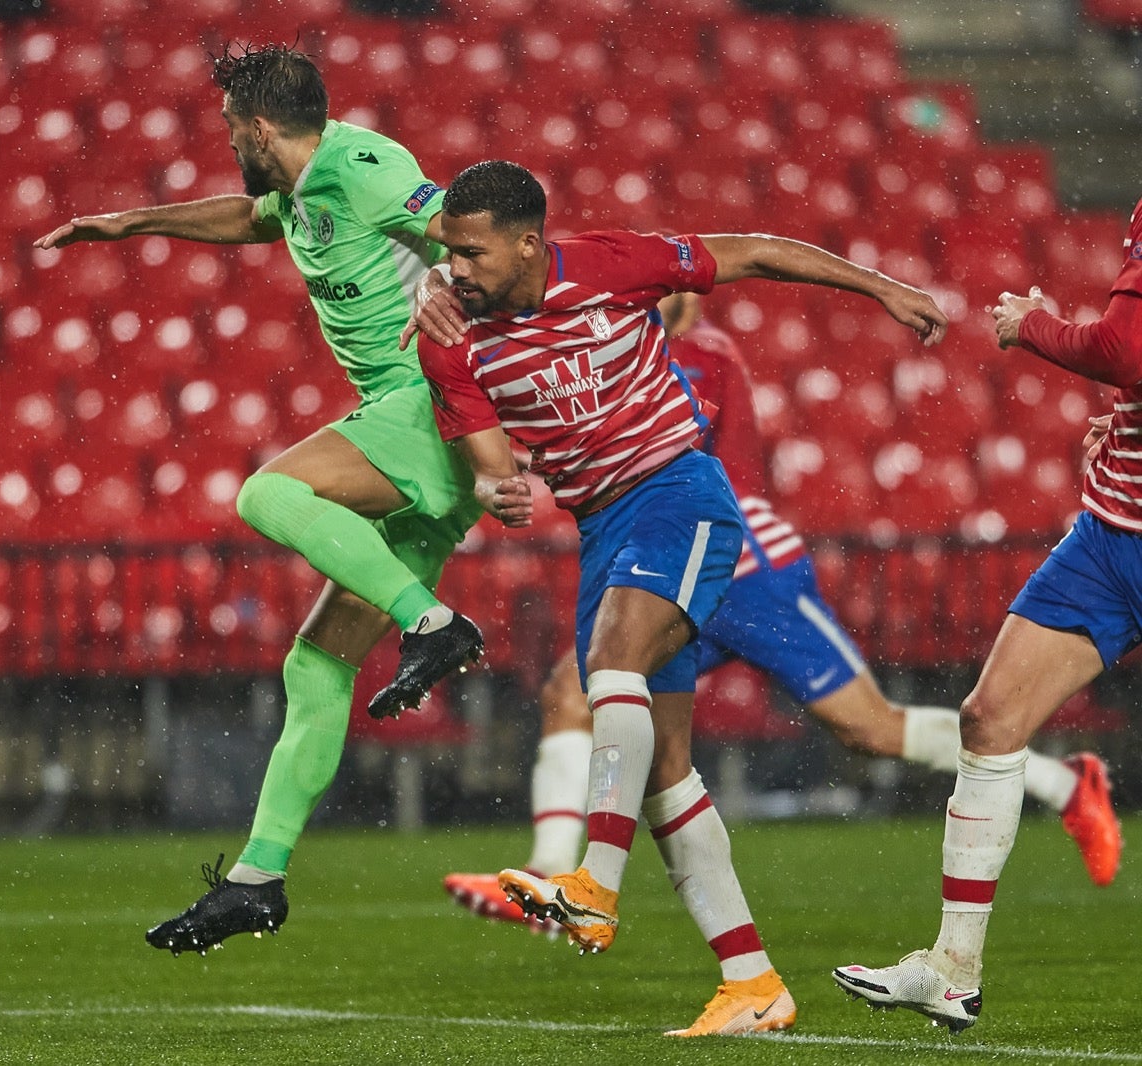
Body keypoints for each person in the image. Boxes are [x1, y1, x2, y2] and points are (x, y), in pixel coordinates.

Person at [411, 159, 947, 1036]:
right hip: (599, 532)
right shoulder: (448, 335)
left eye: (472, 252)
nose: (458, 268)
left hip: (676, 493)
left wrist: (880, 287)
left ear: (527, 244)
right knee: (663, 770)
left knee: (609, 671)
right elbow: (490, 465)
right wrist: (497, 491)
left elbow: (759, 253)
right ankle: (752, 982)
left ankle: (593, 885)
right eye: (449, 253)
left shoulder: (612, 263)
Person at [442, 293, 1121, 932]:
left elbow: (637, 442)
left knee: (869, 728)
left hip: (748, 568)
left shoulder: (702, 351)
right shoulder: (627, 354)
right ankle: (549, 877)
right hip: (677, 563)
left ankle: (1068, 783)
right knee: (574, 690)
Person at [33, 44, 485, 955]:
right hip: (411, 440)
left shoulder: (364, 167)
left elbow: (473, 236)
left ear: (261, 126)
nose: (228, 140)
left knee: (267, 492)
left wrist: (478, 329)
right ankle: (258, 879)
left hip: (428, 410)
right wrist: (127, 224)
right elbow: (249, 217)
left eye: (232, 126)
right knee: (315, 670)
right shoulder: (297, 193)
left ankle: (433, 624)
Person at [833, 198, 1142, 1031]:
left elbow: (1125, 347)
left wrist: (1033, 325)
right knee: (991, 718)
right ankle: (953, 968)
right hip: (1114, 537)